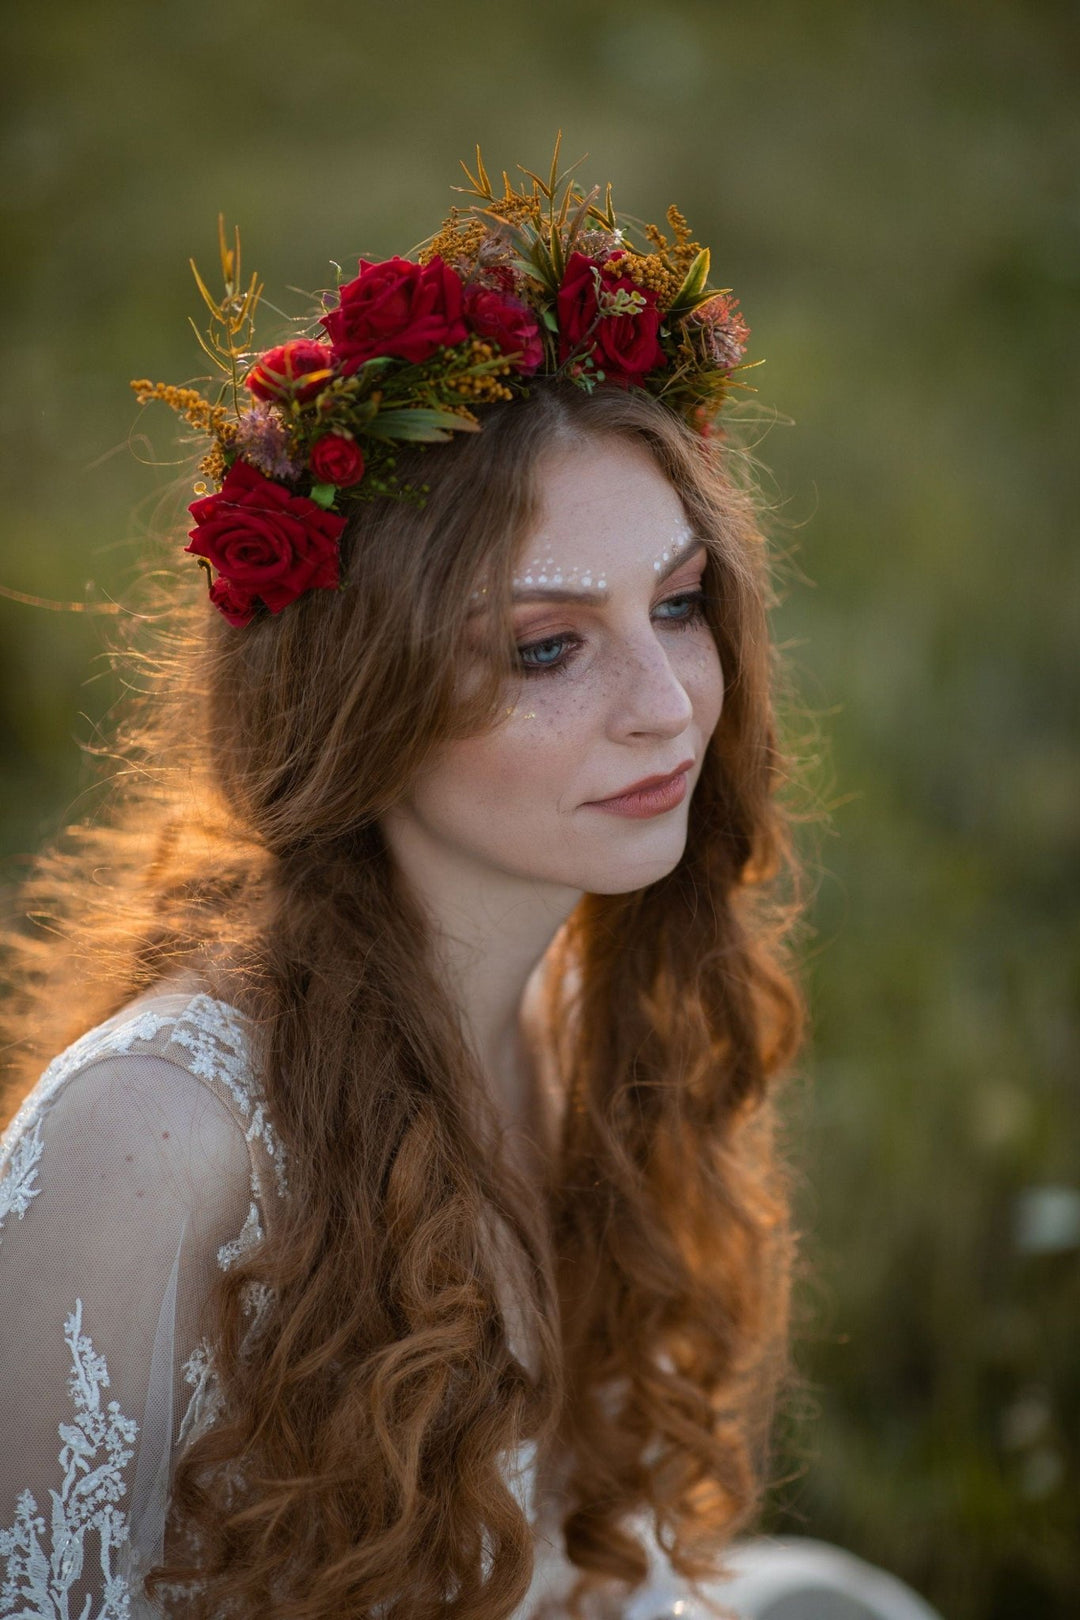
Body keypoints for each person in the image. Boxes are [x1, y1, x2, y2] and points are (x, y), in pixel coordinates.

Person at [0, 152, 940, 1620]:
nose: (668, 708)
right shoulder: (151, 1138)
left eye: (678, 604)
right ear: (359, 695)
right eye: (547, 648)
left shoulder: (576, 1016)